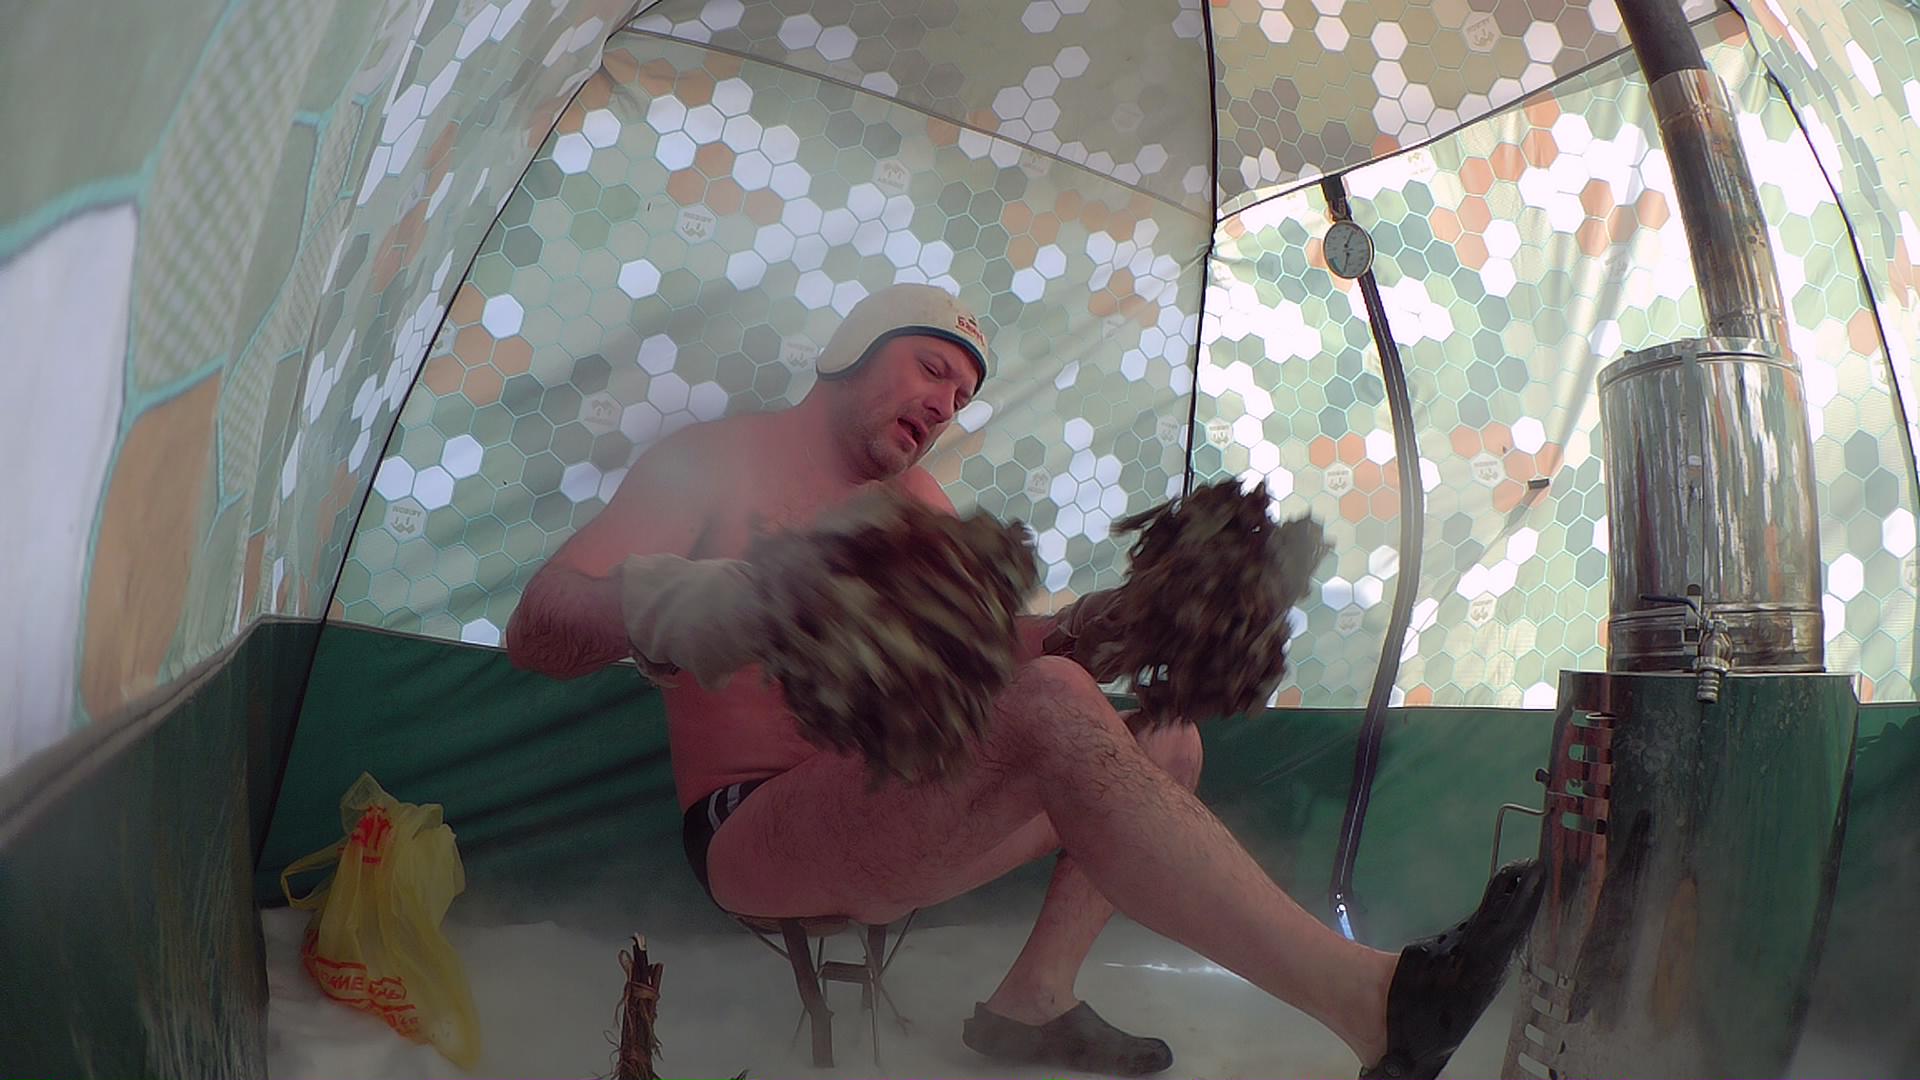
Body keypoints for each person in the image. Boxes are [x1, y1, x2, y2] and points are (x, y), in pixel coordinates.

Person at [506, 283, 1542, 1078]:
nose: (943, 404)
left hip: (895, 796)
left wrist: (1108, 624)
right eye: (929, 369)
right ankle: (1371, 1002)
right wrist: (698, 603)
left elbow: (995, 658)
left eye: (960, 397)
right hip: (755, 825)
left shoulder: (918, 503)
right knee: (1054, 708)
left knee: (1165, 736)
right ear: (848, 355)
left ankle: (1031, 1002)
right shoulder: (712, 462)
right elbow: (538, 629)